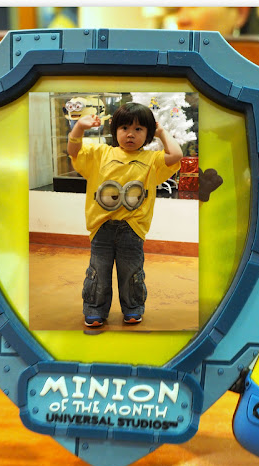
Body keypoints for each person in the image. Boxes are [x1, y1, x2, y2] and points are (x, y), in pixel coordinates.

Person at [67, 102, 183, 328]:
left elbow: (176, 154)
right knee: (98, 272)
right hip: (101, 227)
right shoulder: (100, 154)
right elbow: (74, 151)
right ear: (115, 130)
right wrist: (79, 127)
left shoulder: (152, 160)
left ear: (148, 133)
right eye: (125, 128)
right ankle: (95, 309)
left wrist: (161, 132)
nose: (131, 134)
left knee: (131, 272)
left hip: (133, 229)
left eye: (139, 129)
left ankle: (132, 309)